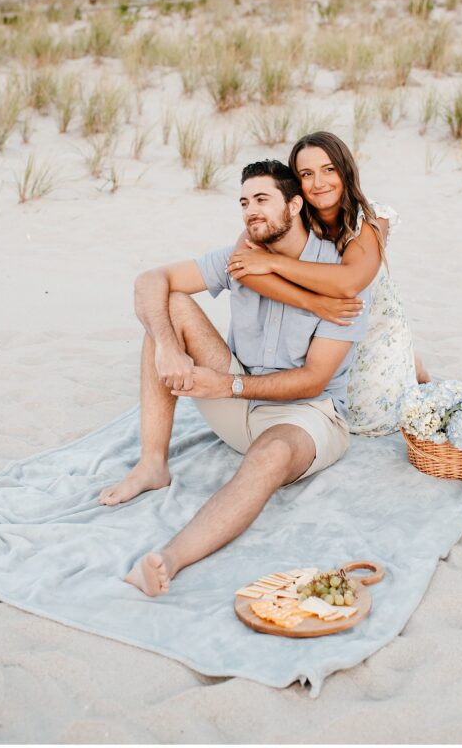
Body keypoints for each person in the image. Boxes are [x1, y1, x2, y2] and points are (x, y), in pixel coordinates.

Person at [99, 159, 370, 597]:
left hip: (307, 418)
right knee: (169, 308)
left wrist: (226, 386)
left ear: (296, 205)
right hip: (237, 399)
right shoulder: (238, 258)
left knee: (272, 453)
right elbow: (150, 279)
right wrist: (168, 345)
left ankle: (169, 558)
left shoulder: (338, 279)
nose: (250, 211)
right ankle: (153, 465)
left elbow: (313, 381)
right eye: (244, 202)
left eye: (262, 200)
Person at [226, 132, 429, 436]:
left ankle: (413, 365)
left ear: (345, 170)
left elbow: (349, 283)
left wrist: (274, 262)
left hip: (365, 320)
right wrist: (311, 303)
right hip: (320, 325)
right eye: (307, 174)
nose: (319, 183)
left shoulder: (372, 218)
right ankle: (411, 364)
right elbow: (244, 267)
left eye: (328, 169)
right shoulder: (290, 212)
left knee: (372, 418)